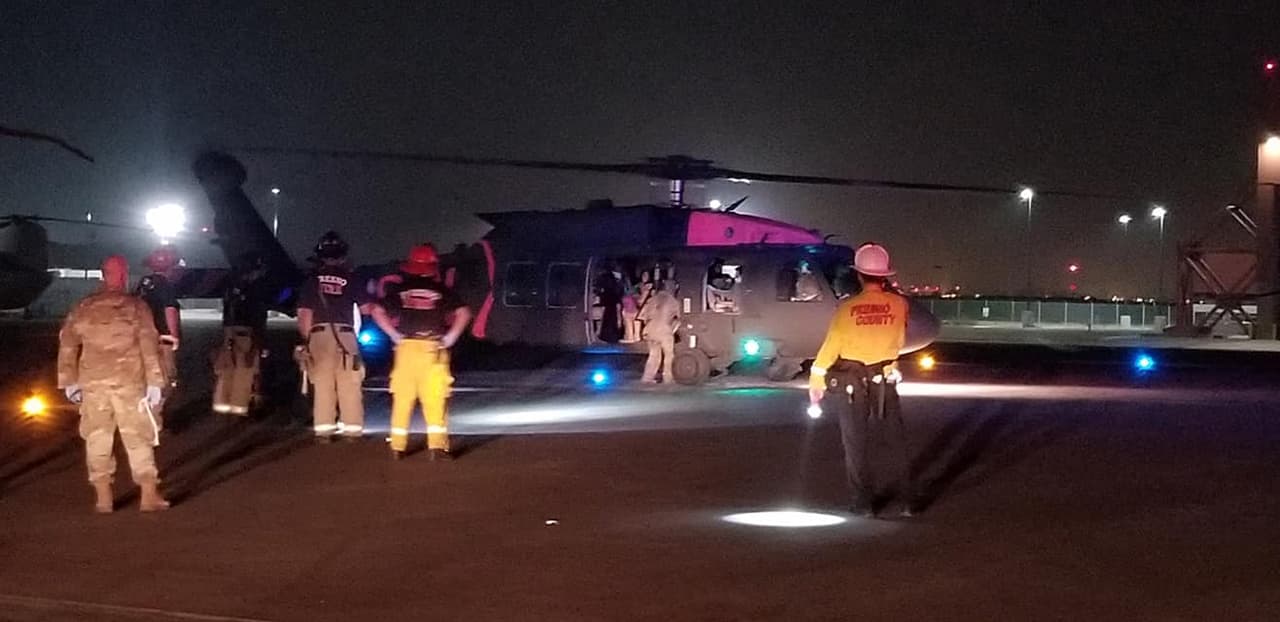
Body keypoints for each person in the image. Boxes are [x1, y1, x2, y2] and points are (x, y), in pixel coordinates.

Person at [807, 243, 918, 518]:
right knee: (895, 441)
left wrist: (816, 381)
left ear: (858, 275)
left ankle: (863, 503)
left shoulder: (846, 309)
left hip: (852, 384)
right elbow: (900, 339)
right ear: (884, 276)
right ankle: (907, 502)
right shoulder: (900, 304)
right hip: (885, 379)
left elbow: (830, 347)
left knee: (855, 443)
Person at [58, 255, 168, 513]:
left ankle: (103, 498)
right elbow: (149, 345)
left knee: (97, 437)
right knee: (138, 437)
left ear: (101, 274)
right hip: (128, 382)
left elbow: (67, 344)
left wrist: (69, 382)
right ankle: (148, 495)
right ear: (124, 274)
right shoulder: (136, 306)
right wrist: (155, 382)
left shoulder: (83, 307)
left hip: (92, 383)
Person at [372, 244, 472, 460]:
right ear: (433, 266)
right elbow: (464, 312)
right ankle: (437, 447)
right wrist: (451, 337)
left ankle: (398, 446)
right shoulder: (443, 291)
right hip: (433, 348)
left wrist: (393, 335)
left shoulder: (399, 291)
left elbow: (377, 310)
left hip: (406, 348)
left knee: (403, 399)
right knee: (435, 398)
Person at [296, 231, 369, 442]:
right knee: (350, 383)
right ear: (344, 255)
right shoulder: (352, 279)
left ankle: (324, 432)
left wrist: (307, 340)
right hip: (346, 336)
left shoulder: (311, 281)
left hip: (318, 335)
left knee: (322, 384)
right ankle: (353, 431)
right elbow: (365, 309)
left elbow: (304, 314)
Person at [213, 252, 270, 416]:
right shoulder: (256, 289)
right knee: (245, 370)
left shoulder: (231, 287)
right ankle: (239, 407)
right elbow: (258, 317)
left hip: (228, 333)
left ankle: (221, 403)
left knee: (226, 369)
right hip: (247, 334)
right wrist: (262, 343)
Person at [134, 245, 183, 408]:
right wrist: (174, 337)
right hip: (161, 341)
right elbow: (170, 310)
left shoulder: (144, 283)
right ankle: (154, 420)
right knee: (163, 381)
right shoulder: (166, 285)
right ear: (171, 267)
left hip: (140, 340)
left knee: (142, 379)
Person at [637, 279, 681, 384]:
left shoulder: (652, 299)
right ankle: (668, 378)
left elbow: (642, 317)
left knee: (653, 355)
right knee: (669, 355)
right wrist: (672, 330)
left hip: (649, 330)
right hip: (664, 330)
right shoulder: (674, 302)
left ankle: (647, 378)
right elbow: (679, 320)